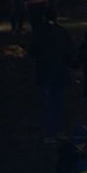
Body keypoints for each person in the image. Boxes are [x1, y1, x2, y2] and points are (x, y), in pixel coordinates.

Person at [30, 9, 74, 144]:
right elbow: (69, 52)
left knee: (48, 105)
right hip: (60, 72)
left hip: (44, 72)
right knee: (60, 104)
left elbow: (32, 51)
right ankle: (60, 131)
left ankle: (50, 133)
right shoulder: (61, 31)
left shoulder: (40, 32)